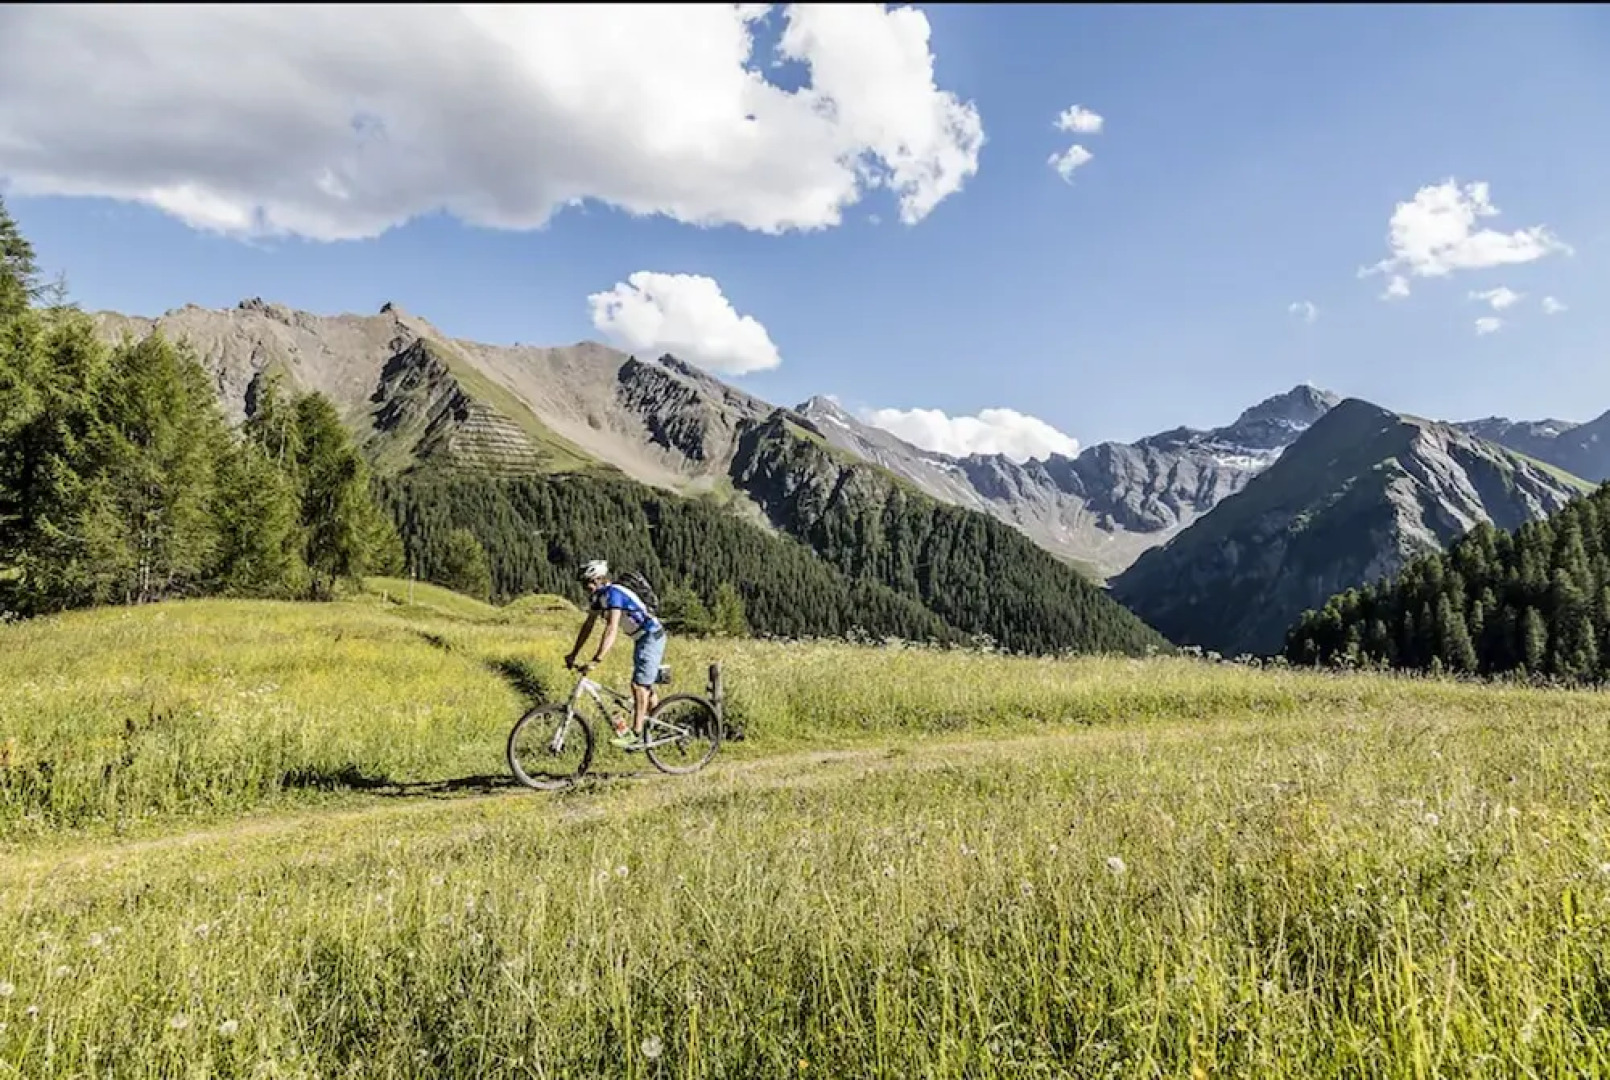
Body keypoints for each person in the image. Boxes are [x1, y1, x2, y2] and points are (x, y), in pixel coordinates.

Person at [564, 558, 666, 749]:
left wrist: (596, 659)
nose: (586, 588)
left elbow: (611, 628)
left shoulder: (614, 594)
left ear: (598, 580)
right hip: (640, 638)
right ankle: (659, 728)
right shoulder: (600, 598)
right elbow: (588, 626)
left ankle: (635, 734)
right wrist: (573, 653)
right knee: (645, 686)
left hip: (652, 636)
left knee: (638, 686)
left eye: (588, 583)